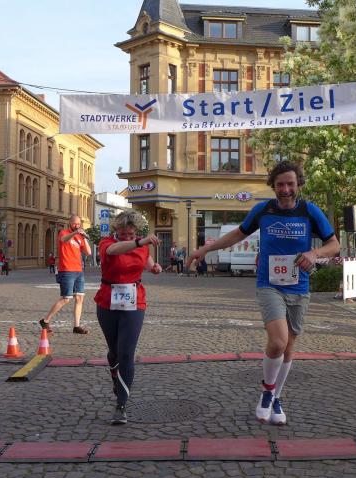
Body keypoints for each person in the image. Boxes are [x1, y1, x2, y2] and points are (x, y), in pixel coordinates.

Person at [187, 161, 339, 426]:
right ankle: (268, 391)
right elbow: (237, 235)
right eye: (280, 184)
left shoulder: (310, 211)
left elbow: (334, 244)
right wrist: (206, 249)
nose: (285, 189)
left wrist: (315, 253)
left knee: (289, 348)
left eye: (290, 184)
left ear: (298, 185)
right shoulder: (263, 210)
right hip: (269, 285)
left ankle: (276, 397)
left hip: (299, 286)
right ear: (273, 186)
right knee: (278, 342)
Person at [94, 210, 162, 424]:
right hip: (107, 301)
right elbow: (114, 251)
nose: (127, 238)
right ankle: (115, 372)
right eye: (123, 234)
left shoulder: (141, 245)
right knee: (114, 352)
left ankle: (121, 405)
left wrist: (154, 267)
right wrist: (139, 241)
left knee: (126, 353)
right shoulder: (106, 243)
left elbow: (147, 259)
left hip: (134, 302)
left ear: (136, 231)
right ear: (117, 230)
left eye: (131, 234)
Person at [39, 214, 92, 335]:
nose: (77, 226)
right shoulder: (64, 232)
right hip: (67, 269)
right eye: (75, 223)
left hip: (78, 270)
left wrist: (84, 237)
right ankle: (45, 320)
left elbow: (88, 252)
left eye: (79, 224)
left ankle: (76, 326)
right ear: (70, 223)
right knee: (66, 299)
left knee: (79, 298)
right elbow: (64, 240)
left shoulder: (80, 237)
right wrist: (75, 232)